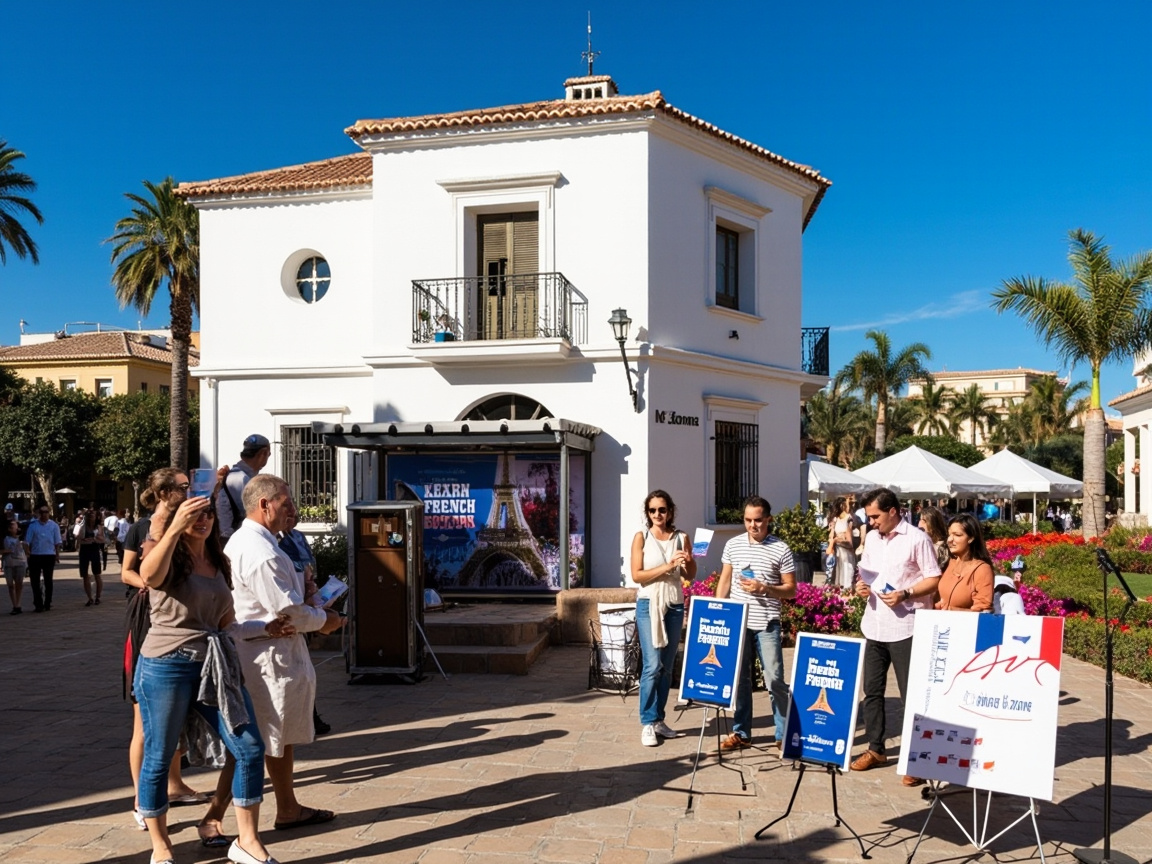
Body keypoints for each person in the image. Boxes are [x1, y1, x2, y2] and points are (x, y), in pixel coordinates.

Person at [136, 492, 283, 864]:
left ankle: (247, 841)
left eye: (208, 515)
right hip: (166, 664)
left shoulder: (219, 561)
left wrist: (266, 628)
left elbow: (226, 623)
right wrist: (172, 530)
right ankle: (161, 846)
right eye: (194, 515)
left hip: (215, 666)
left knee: (249, 748)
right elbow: (148, 577)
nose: (202, 521)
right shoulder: (166, 552)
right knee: (159, 756)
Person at [225, 474, 344, 831]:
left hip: (271, 649)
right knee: (258, 742)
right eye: (287, 503)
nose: (293, 510)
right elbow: (287, 610)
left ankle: (287, 807)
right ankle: (217, 817)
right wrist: (325, 621)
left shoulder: (263, 542)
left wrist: (309, 596)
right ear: (265, 505)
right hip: (266, 657)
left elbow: (287, 601)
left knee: (276, 738)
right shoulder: (258, 551)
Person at [121, 468, 212, 832]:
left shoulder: (192, 523)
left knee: (173, 719)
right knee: (144, 721)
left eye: (190, 485)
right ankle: (141, 800)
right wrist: (147, 581)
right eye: (182, 487)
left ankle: (173, 785)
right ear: (162, 493)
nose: (188, 491)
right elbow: (128, 571)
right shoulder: (142, 528)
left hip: (181, 626)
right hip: (149, 623)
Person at [851, 487, 941, 786]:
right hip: (874, 624)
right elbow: (866, 573)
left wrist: (906, 593)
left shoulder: (917, 539)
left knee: (910, 695)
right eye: (869, 516)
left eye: (875, 516)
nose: (871, 522)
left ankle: (918, 758)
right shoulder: (872, 538)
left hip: (907, 627)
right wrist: (861, 587)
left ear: (893, 511)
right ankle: (876, 749)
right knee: (872, 691)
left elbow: (933, 578)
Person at [716, 496, 796, 751]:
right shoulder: (733, 545)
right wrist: (719, 611)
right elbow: (725, 581)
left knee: (775, 680)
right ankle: (741, 733)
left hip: (767, 623)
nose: (753, 525)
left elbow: (791, 589)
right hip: (739, 622)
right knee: (740, 680)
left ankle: (783, 733)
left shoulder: (781, 548)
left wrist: (766, 588)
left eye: (758, 520)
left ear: (768, 519)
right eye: (748, 520)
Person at [630, 490, 694, 747]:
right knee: (652, 664)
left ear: (670, 511)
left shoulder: (681, 537)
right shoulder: (641, 537)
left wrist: (688, 560)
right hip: (649, 604)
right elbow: (637, 575)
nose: (657, 514)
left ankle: (658, 719)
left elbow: (690, 574)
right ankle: (647, 721)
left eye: (662, 510)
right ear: (648, 513)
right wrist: (668, 566)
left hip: (674, 604)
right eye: (653, 510)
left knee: (667, 666)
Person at [277, 513, 333, 736]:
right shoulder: (274, 541)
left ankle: (311, 714)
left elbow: (309, 565)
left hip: (305, 601)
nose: (291, 517)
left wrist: (312, 585)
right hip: (290, 608)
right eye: (287, 513)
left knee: (305, 665)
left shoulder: (298, 537)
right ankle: (309, 714)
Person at [217, 434, 271, 540]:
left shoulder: (242, 476)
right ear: (263, 453)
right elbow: (252, 513)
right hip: (229, 538)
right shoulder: (240, 478)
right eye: (268, 454)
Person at [935, 514, 994, 612]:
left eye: (957, 535)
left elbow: (983, 611)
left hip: (962, 622)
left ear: (971, 538)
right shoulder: (947, 563)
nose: (949, 540)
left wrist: (951, 610)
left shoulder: (982, 569)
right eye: (949, 535)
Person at [25, 505, 62, 613]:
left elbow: (57, 542)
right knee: (35, 581)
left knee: (48, 580)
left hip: (49, 555)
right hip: (35, 555)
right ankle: (38, 603)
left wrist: (57, 554)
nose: (44, 514)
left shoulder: (54, 525)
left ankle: (48, 602)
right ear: (38, 513)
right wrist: (27, 552)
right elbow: (27, 541)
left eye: (46, 512)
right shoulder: (33, 526)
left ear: (49, 513)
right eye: (42, 512)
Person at [827, 496, 859, 590]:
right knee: (839, 572)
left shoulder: (849, 518)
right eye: (847, 503)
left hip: (846, 550)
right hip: (838, 550)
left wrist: (837, 539)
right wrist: (833, 538)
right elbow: (831, 536)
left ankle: (847, 591)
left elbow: (849, 541)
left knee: (847, 570)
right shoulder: (835, 519)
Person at [77, 509, 106, 606]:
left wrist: (92, 539)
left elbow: (102, 539)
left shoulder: (99, 527)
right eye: (88, 515)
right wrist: (90, 540)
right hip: (84, 551)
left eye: (92, 515)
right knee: (85, 575)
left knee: (97, 574)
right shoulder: (82, 526)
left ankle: (98, 597)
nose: (90, 517)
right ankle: (90, 598)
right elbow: (79, 539)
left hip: (94, 551)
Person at [4, 518, 29, 614]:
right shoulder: (5, 538)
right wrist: (7, 551)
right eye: (11, 525)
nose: (13, 527)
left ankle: (18, 604)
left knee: (19, 584)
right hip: (9, 563)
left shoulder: (22, 537)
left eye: (14, 525)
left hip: (20, 562)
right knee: (10, 585)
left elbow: (27, 549)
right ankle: (14, 604)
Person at [918, 506, 950, 571]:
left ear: (933, 523)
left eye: (924, 521)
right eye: (920, 520)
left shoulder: (942, 547)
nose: (919, 523)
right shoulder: (922, 542)